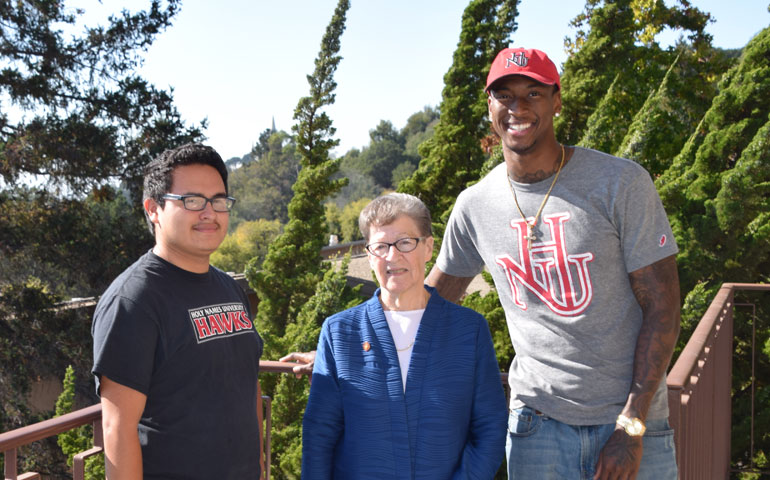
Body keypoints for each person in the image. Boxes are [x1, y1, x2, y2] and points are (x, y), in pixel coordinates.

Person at [285, 47, 682, 479]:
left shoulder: (620, 182)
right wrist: (338, 355)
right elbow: (430, 297)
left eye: (533, 93)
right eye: (505, 95)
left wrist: (632, 422)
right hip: (537, 426)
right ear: (490, 106)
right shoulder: (476, 204)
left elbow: (663, 307)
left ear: (557, 101)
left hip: (629, 421)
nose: (519, 107)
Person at [301, 193, 507, 479]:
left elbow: (490, 427)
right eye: (381, 246)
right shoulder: (339, 332)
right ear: (369, 254)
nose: (392, 256)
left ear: (428, 247)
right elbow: (319, 435)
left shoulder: (468, 330)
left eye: (405, 242)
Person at [91, 143, 264, 479]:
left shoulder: (229, 289)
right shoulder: (134, 301)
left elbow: (248, 386)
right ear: (153, 209)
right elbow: (117, 429)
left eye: (218, 201)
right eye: (192, 200)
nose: (209, 213)